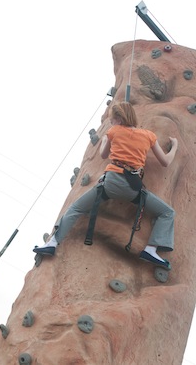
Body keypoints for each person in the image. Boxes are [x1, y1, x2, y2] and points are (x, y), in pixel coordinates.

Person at [33, 101, 178, 270]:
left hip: (110, 183)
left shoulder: (113, 131)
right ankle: (151, 249)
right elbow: (166, 161)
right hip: (132, 189)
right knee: (167, 212)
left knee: (76, 208)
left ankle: (52, 242)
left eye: (112, 119)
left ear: (119, 118)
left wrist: (104, 140)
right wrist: (174, 146)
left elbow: (103, 155)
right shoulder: (149, 136)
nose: (111, 122)